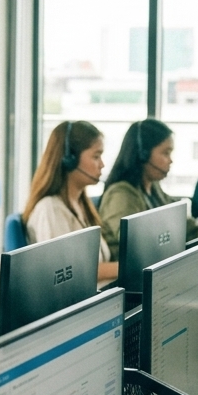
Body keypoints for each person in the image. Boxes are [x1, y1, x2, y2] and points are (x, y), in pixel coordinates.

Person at [22, 121, 117, 284]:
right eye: (96, 156)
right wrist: (131, 266)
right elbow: (67, 271)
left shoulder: (81, 204)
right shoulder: (50, 209)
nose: (102, 164)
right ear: (69, 160)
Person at [98, 118, 198, 252]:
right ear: (143, 154)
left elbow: (186, 225)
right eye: (166, 153)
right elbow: (135, 244)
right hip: (131, 272)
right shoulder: (121, 195)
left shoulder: (153, 189)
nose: (170, 160)